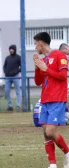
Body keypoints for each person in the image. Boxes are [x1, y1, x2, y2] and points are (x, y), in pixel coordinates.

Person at [33, 32, 69, 168]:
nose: (35, 47)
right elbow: (37, 82)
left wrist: (46, 69)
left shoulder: (59, 55)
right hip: (45, 100)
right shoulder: (44, 60)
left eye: (36, 44)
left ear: (41, 44)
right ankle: (52, 165)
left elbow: (62, 76)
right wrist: (37, 68)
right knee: (45, 133)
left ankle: (67, 154)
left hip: (57, 99)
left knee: (50, 131)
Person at [3, 45, 21, 112]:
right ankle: (10, 106)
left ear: (14, 49)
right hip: (8, 77)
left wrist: (16, 71)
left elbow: (22, 66)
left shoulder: (18, 57)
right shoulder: (7, 58)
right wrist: (5, 72)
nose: (11, 50)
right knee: (6, 91)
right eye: (10, 49)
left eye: (12, 49)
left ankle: (18, 106)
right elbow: (4, 66)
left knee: (17, 91)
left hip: (15, 76)